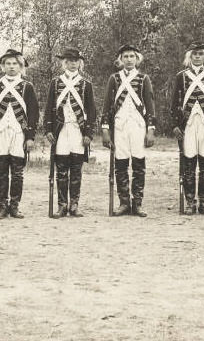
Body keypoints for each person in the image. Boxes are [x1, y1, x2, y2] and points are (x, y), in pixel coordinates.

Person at [101, 45, 156, 217]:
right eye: (125, 56)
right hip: (119, 126)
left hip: (138, 126)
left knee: (139, 165)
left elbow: (150, 105)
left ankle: (137, 204)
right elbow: (107, 105)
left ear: (137, 58)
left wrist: (151, 129)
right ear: (121, 59)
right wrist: (105, 130)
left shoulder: (143, 78)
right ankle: (124, 203)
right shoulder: (114, 78)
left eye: (132, 56)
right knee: (121, 165)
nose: (129, 59)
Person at [0, 49, 39, 219]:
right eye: (8, 63)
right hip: (0, 132)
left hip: (18, 133)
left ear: (21, 66)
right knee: (1, 171)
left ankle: (14, 206)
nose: (12, 67)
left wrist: (30, 137)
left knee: (17, 172)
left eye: (15, 63)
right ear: (3, 66)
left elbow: (33, 112)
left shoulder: (27, 86)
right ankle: (2, 206)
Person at [170, 42, 204, 215]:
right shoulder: (181, 76)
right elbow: (174, 103)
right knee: (189, 165)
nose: (198, 57)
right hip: (188, 125)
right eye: (194, 54)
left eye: (201, 54)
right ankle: (190, 202)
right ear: (190, 56)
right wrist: (175, 125)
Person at [44, 47, 96, 217]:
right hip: (61, 131)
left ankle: (74, 204)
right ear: (64, 62)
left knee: (76, 169)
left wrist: (88, 133)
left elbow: (91, 110)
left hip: (77, 130)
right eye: (69, 60)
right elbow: (49, 108)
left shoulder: (86, 84)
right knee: (61, 169)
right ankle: (62, 205)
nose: (73, 63)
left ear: (79, 63)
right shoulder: (55, 82)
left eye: (76, 61)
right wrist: (48, 130)